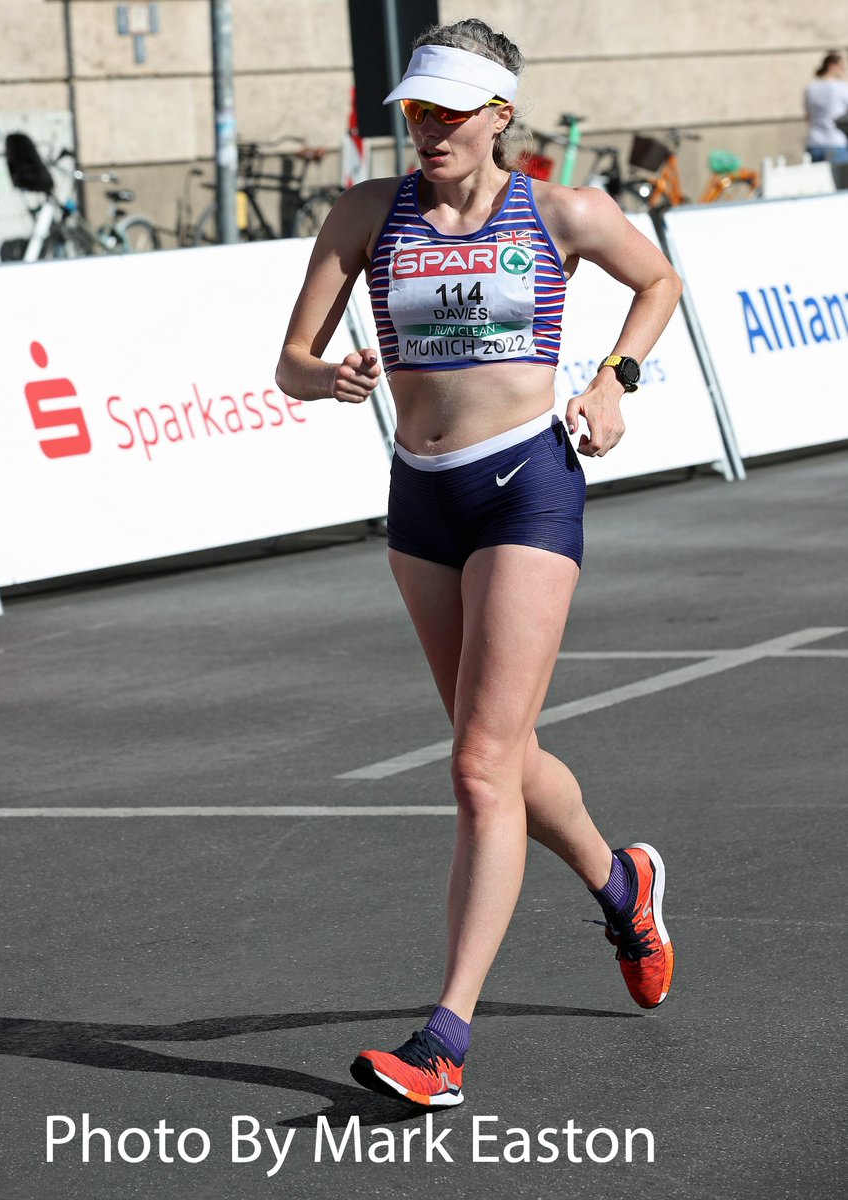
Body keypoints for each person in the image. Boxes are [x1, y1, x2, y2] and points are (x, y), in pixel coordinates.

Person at [276, 17, 683, 1109]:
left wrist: (613, 385)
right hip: (419, 498)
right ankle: (618, 881)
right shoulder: (366, 213)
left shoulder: (560, 211)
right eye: (414, 111)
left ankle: (443, 1040)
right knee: (497, 753)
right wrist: (332, 380)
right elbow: (290, 362)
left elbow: (658, 285)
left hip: (526, 486)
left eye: (449, 112)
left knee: (473, 768)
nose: (426, 130)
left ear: (499, 115)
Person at [805, 51, 848, 164]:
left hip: (814, 142)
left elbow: (808, 118)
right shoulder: (842, 88)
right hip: (836, 142)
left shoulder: (810, 89)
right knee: (840, 181)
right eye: (842, 67)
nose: (844, 71)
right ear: (832, 66)